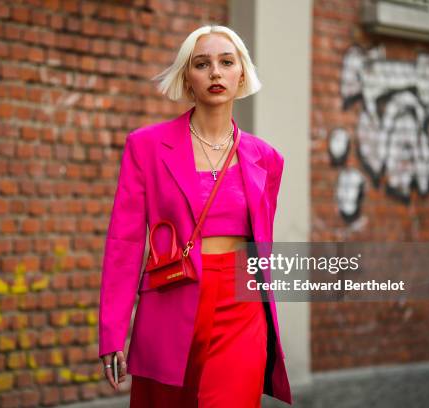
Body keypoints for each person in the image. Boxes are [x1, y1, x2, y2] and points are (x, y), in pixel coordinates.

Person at [98, 24, 292, 407]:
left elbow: (260, 248)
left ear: (241, 75)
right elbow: (125, 242)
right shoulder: (147, 147)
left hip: (241, 308)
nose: (215, 72)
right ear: (188, 79)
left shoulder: (266, 159)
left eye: (226, 62)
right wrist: (112, 331)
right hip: (170, 300)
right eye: (202, 64)